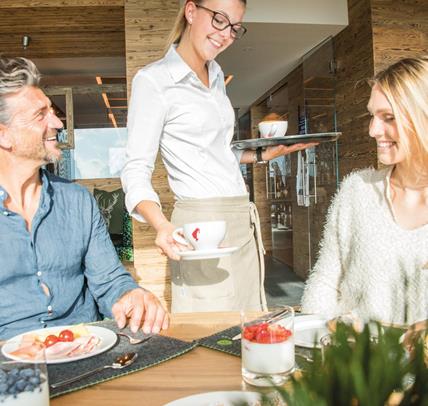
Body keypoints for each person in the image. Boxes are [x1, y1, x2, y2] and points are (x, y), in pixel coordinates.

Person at [121, 0, 315, 312]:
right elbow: (134, 169)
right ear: (190, 11)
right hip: (202, 227)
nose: (225, 34)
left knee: (251, 322)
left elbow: (216, 152)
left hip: (241, 220)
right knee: (213, 331)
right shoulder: (154, 81)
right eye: (219, 20)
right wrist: (161, 225)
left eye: (235, 28)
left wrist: (264, 155)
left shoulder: (216, 75)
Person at [0, 56, 169, 340]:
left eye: (52, 111)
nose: (57, 122)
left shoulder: (77, 201)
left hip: (84, 349)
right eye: (40, 115)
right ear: (4, 136)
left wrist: (131, 295)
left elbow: (109, 280)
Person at [301, 56, 428, 325]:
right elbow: (324, 282)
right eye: (373, 115)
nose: (373, 130)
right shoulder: (356, 191)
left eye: (388, 117)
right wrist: (318, 344)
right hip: (355, 362)